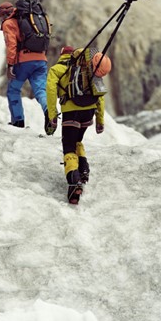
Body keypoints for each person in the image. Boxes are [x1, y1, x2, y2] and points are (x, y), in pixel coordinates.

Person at [45, 46, 112, 204]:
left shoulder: (58, 69)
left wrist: (52, 115)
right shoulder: (87, 69)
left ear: (62, 55)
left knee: (68, 146)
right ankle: (83, 169)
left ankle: (74, 181)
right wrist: (100, 120)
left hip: (71, 112)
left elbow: (50, 90)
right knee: (77, 141)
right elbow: (99, 95)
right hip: (88, 112)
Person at [0, 1, 48, 128]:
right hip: (41, 59)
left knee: (13, 90)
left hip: (24, 61)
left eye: (1, 15)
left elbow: (11, 45)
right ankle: (49, 111)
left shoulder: (9, 23)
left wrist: (10, 66)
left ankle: (18, 120)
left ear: (4, 14)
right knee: (40, 90)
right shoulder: (31, 20)